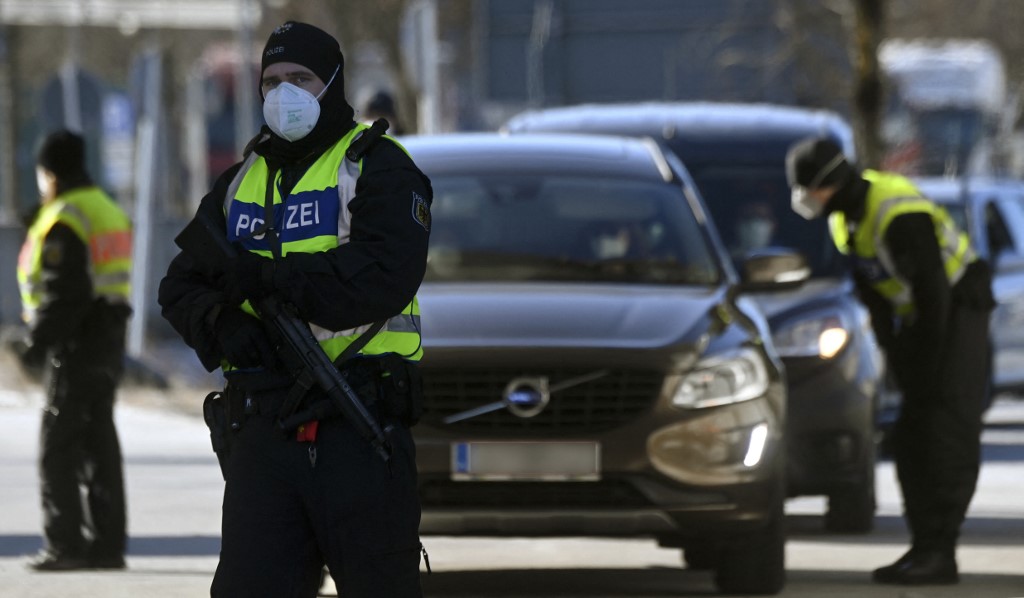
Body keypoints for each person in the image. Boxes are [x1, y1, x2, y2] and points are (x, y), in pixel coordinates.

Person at [158, 21, 432, 598]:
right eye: (273, 80)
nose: (285, 93)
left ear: (331, 83)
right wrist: (222, 323)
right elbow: (180, 286)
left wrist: (270, 278)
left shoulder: (376, 166)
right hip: (264, 435)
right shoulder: (237, 184)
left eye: (300, 78)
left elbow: (382, 276)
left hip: (358, 425)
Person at [785, 137, 995, 585]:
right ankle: (923, 548)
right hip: (923, 327)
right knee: (912, 438)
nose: (806, 199)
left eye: (808, 189)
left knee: (944, 434)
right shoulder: (846, 221)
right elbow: (874, 294)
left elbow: (934, 294)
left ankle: (941, 552)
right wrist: (895, 352)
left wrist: (925, 366)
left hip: (957, 316)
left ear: (828, 184)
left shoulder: (897, 213)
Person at [14, 130, 132, 571]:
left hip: (77, 342)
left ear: (51, 173)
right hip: (109, 337)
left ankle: (65, 545)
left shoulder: (65, 216)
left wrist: (35, 342)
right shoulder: (104, 208)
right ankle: (108, 545)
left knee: (58, 445)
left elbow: (65, 293)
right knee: (99, 442)